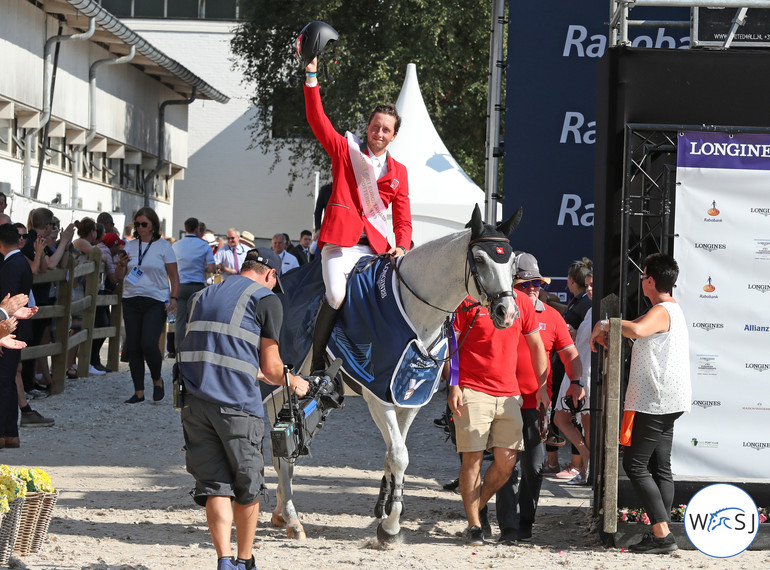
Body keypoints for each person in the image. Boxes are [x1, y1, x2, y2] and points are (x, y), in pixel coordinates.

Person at [179, 247, 310, 570]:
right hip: (237, 405)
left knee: (215, 486)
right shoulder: (267, 300)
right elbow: (272, 368)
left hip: (195, 403)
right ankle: (245, 559)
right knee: (247, 486)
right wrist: (295, 382)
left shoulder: (201, 296)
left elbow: (205, 346)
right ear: (270, 275)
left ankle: (224, 560)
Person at [303, 56, 412, 372]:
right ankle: (319, 357)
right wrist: (311, 75)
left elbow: (403, 218)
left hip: (376, 250)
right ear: (368, 127)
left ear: (393, 136)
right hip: (340, 244)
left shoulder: (400, 172)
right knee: (336, 294)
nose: (379, 132)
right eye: (376, 126)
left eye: (386, 129)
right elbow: (317, 119)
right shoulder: (345, 152)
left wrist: (402, 246)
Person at [590, 253, 690, 554]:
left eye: (643, 274)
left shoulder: (661, 309)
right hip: (668, 400)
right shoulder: (669, 309)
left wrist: (606, 323)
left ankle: (662, 535)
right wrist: (615, 331)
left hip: (655, 401)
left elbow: (638, 329)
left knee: (635, 464)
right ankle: (661, 532)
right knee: (661, 467)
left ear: (649, 280)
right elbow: (641, 331)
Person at [495, 253, 582, 544]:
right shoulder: (500, 313)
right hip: (504, 400)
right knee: (505, 464)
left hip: (536, 403)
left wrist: (577, 381)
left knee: (533, 466)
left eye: (537, 282)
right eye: (525, 283)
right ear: (512, 285)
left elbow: (569, 353)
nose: (532, 288)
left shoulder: (552, 316)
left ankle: (525, 522)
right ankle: (508, 527)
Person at [449, 290, 548, 546]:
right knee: (472, 459)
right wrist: (453, 385)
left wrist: (543, 387)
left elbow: (537, 344)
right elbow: (451, 344)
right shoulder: (467, 300)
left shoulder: (522, 302)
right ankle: (474, 526)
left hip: (509, 393)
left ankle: (474, 504)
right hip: (472, 389)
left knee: (507, 463)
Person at [122, 207, 179, 404]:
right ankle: (138, 391)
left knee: (148, 342)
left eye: (144, 224)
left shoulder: (164, 247)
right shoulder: (129, 246)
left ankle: (157, 380)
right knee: (134, 345)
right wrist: (121, 265)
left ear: (153, 224)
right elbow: (118, 275)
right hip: (131, 298)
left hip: (155, 299)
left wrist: (174, 298)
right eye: (137, 224)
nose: (140, 228)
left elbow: (174, 276)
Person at [549, 257, 593, 479]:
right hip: (576, 367)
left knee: (584, 422)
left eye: (593, 285)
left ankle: (585, 466)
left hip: (584, 371)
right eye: (588, 285)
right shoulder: (586, 307)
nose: (590, 289)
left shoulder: (591, 307)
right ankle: (587, 461)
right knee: (563, 419)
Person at [172, 217, 215, 350]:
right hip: (197, 286)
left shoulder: (176, 245)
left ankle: (179, 349)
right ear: (197, 229)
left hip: (181, 285)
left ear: (185, 229)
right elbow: (212, 269)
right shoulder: (204, 245)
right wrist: (202, 268)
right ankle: (194, 348)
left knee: (179, 321)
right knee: (196, 320)